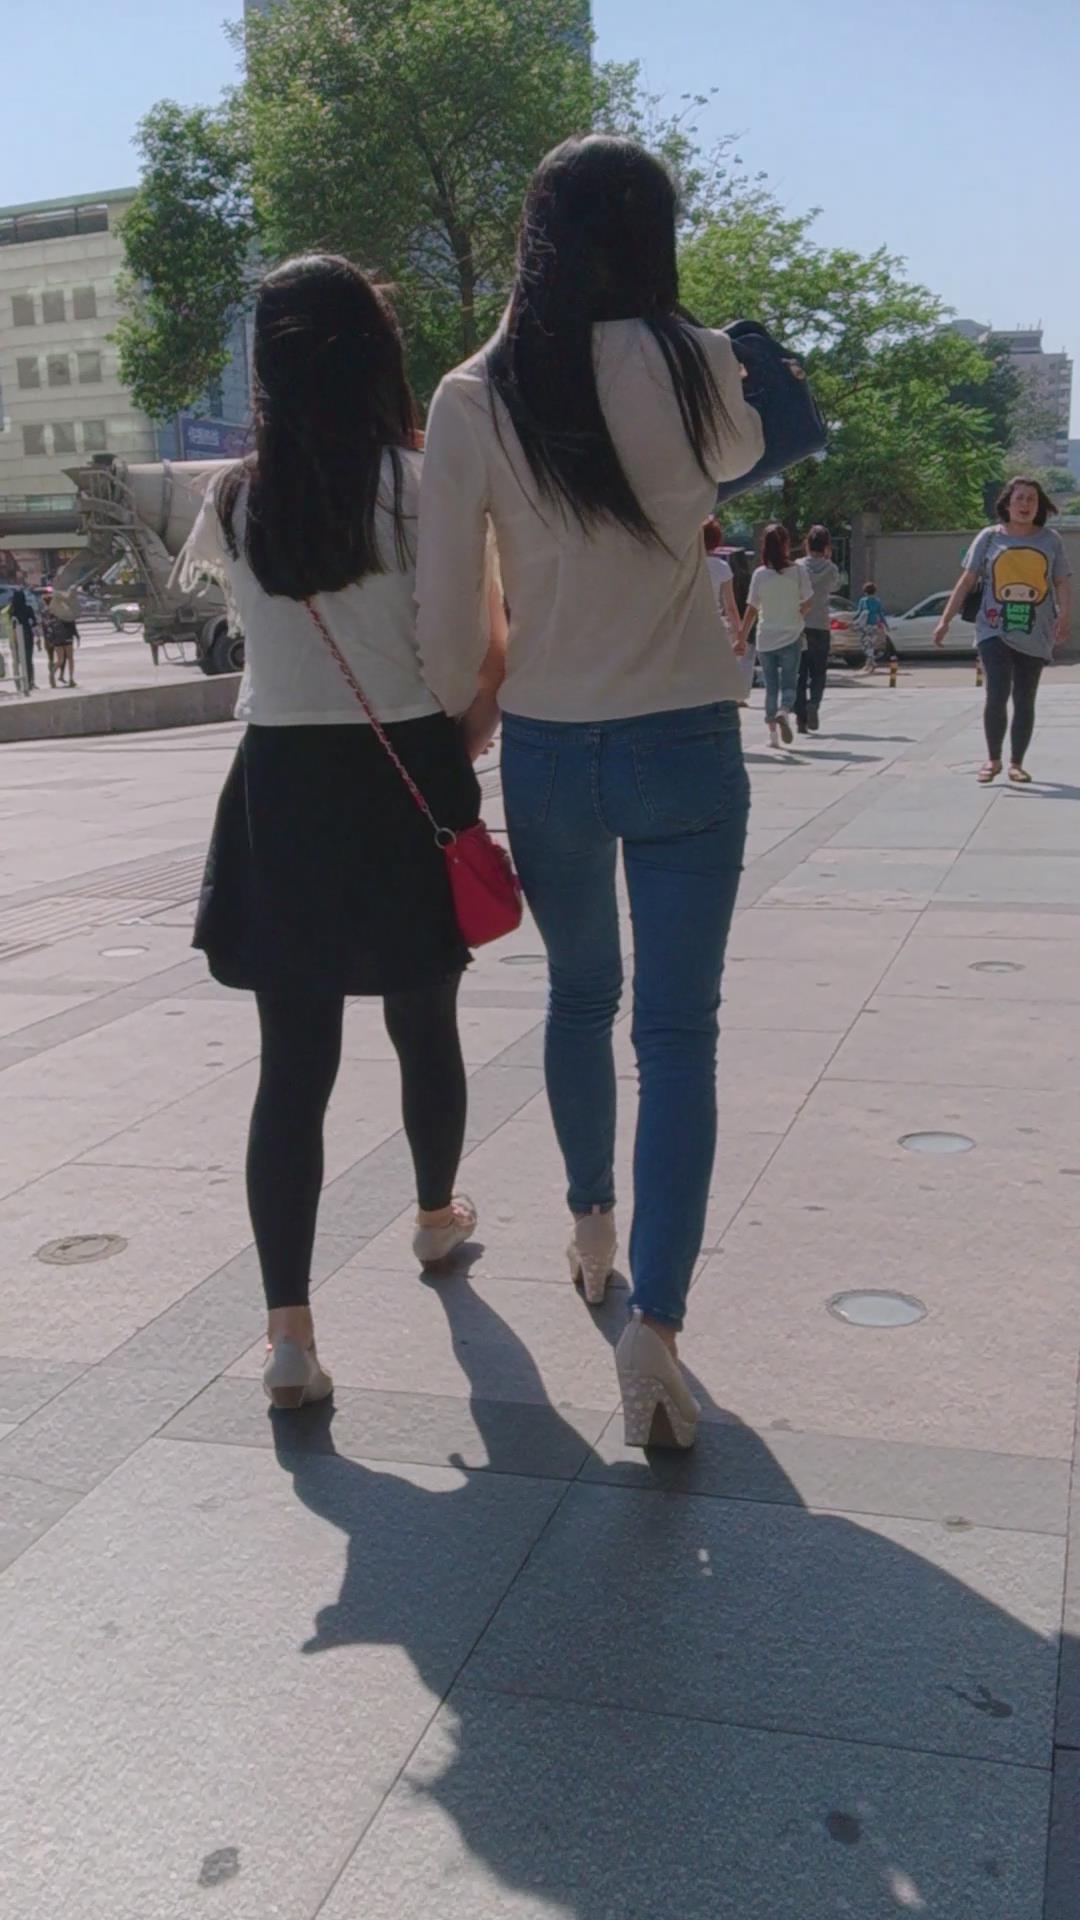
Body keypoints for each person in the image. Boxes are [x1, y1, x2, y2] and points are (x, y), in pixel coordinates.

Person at [416, 134, 763, 1450]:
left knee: (579, 996)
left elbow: (452, 613)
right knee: (679, 1035)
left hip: (552, 747)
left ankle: (590, 1225)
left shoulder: (475, 391)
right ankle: (656, 1331)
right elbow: (742, 456)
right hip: (684, 737)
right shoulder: (701, 365)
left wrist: (467, 708)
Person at [178, 255, 497, 1411]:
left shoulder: (234, 496)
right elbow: (466, 654)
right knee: (426, 1018)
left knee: (293, 1065)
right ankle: (433, 1217)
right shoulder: (419, 484)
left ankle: (289, 1337)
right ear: (376, 353)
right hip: (405, 763)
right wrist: (459, 745)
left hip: (281, 781)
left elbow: (252, 642)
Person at [934, 475, 1073, 784]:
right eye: (1019, 498)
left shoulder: (1050, 540)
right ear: (1007, 504)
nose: (1025, 504)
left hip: (1036, 630)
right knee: (996, 692)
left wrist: (1064, 617)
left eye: (1031, 499)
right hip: (992, 628)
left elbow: (1062, 581)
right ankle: (993, 759)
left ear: (1039, 506)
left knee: (1025, 697)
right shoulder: (989, 537)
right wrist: (945, 619)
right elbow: (967, 580)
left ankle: (1016, 763)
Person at [740, 524, 812, 746]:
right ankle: (784, 711)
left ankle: (773, 736)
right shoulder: (798, 571)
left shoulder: (760, 574)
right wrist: (799, 614)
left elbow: (752, 609)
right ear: (786, 545)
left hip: (766, 638)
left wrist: (741, 637)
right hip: (791, 634)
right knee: (789, 684)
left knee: (771, 688)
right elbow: (808, 601)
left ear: (765, 546)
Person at [795, 525, 839, 733]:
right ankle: (814, 703)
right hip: (821, 625)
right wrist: (828, 559)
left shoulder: (798, 566)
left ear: (807, 544)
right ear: (827, 546)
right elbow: (835, 586)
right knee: (819, 672)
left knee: (799, 672)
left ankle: (800, 718)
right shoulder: (831, 569)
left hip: (799, 624)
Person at [703, 518, 750, 694]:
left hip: (690, 623)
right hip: (714, 624)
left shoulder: (689, 565)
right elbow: (730, 606)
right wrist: (740, 635)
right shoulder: (722, 567)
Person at [855, 580, 890, 673]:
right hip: (874, 625)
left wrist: (853, 620)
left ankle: (870, 663)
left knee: (865, 644)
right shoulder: (877, 601)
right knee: (871, 644)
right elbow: (881, 614)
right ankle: (869, 663)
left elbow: (858, 612)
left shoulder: (863, 601)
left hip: (865, 625)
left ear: (865, 591)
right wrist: (886, 625)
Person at [9, 587, 37, 693]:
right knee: (28, 660)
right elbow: (34, 623)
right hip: (28, 636)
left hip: (16, 638)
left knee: (17, 661)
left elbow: (11, 624)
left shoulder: (12, 611)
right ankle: (30, 681)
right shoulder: (28, 609)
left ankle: (19, 683)